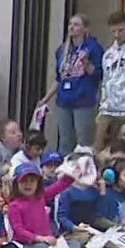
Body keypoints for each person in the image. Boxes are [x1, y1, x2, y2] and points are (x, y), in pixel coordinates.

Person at [44, 14, 102, 154]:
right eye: (70, 24)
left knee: (83, 141)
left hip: (83, 99)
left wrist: (86, 63)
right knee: (65, 140)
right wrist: (46, 99)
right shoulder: (62, 50)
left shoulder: (93, 47)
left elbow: (98, 75)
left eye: (76, 24)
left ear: (85, 28)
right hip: (64, 100)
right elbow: (59, 78)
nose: (71, 27)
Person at [94, 12, 125, 149]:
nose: (117, 35)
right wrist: (102, 108)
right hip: (109, 109)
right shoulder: (108, 54)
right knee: (99, 147)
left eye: (121, 30)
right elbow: (105, 82)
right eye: (113, 31)